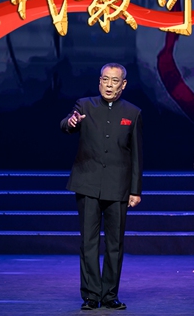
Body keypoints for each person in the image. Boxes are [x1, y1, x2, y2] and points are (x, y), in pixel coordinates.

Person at [60, 63, 143, 311]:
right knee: (89, 242)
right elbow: (66, 124)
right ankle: (90, 295)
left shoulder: (133, 112)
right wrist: (71, 122)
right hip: (87, 183)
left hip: (118, 186)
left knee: (115, 244)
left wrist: (135, 190)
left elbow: (137, 155)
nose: (109, 85)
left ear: (123, 85)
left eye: (114, 81)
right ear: (99, 81)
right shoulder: (84, 105)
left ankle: (109, 295)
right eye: (105, 79)